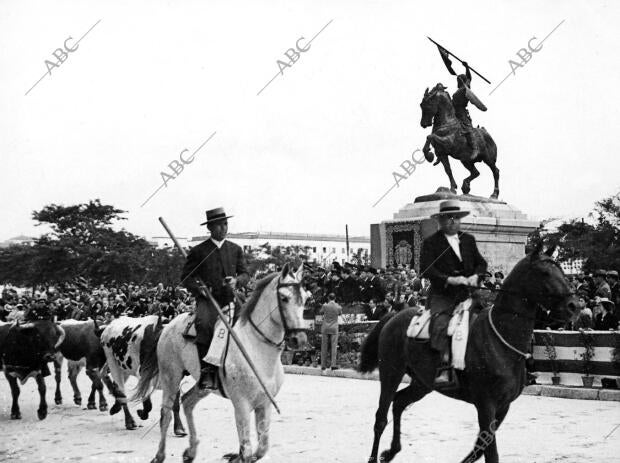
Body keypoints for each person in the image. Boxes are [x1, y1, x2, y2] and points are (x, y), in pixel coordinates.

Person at [420, 199, 487, 386]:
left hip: (467, 294)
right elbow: (426, 269)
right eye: (448, 218)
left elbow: (481, 263)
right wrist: (449, 279)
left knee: (487, 320)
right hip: (443, 294)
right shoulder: (431, 243)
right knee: (440, 323)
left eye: (456, 218)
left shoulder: (468, 240)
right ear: (440, 221)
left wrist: (476, 275)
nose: (452, 222)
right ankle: (442, 366)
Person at [181, 207, 249, 390]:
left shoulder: (235, 249)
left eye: (225, 224)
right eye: (218, 225)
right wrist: (199, 289)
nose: (223, 228)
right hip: (208, 299)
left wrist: (236, 281)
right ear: (210, 228)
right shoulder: (198, 251)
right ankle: (207, 371)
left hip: (231, 298)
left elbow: (245, 274)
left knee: (248, 323)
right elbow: (186, 278)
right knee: (203, 324)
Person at [452, 61, 487, 159]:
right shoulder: (457, 91)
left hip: (461, 112)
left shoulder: (465, 89)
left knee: (467, 128)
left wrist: (467, 68)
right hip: (453, 111)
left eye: (459, 80)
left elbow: (469, 79)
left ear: (462, 81)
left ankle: (475, 148)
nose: (457, 82)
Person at [319, 293, 342, 371]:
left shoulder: (325, 306)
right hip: (334, 328)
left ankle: (323, 365)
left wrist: (325, 305)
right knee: (334, 347)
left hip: (325, 328)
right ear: (335, 298)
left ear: (328, 298)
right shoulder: (338, 306)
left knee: (324, 347)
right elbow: (340, 313)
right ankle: (333, 365)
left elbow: (321, 312)